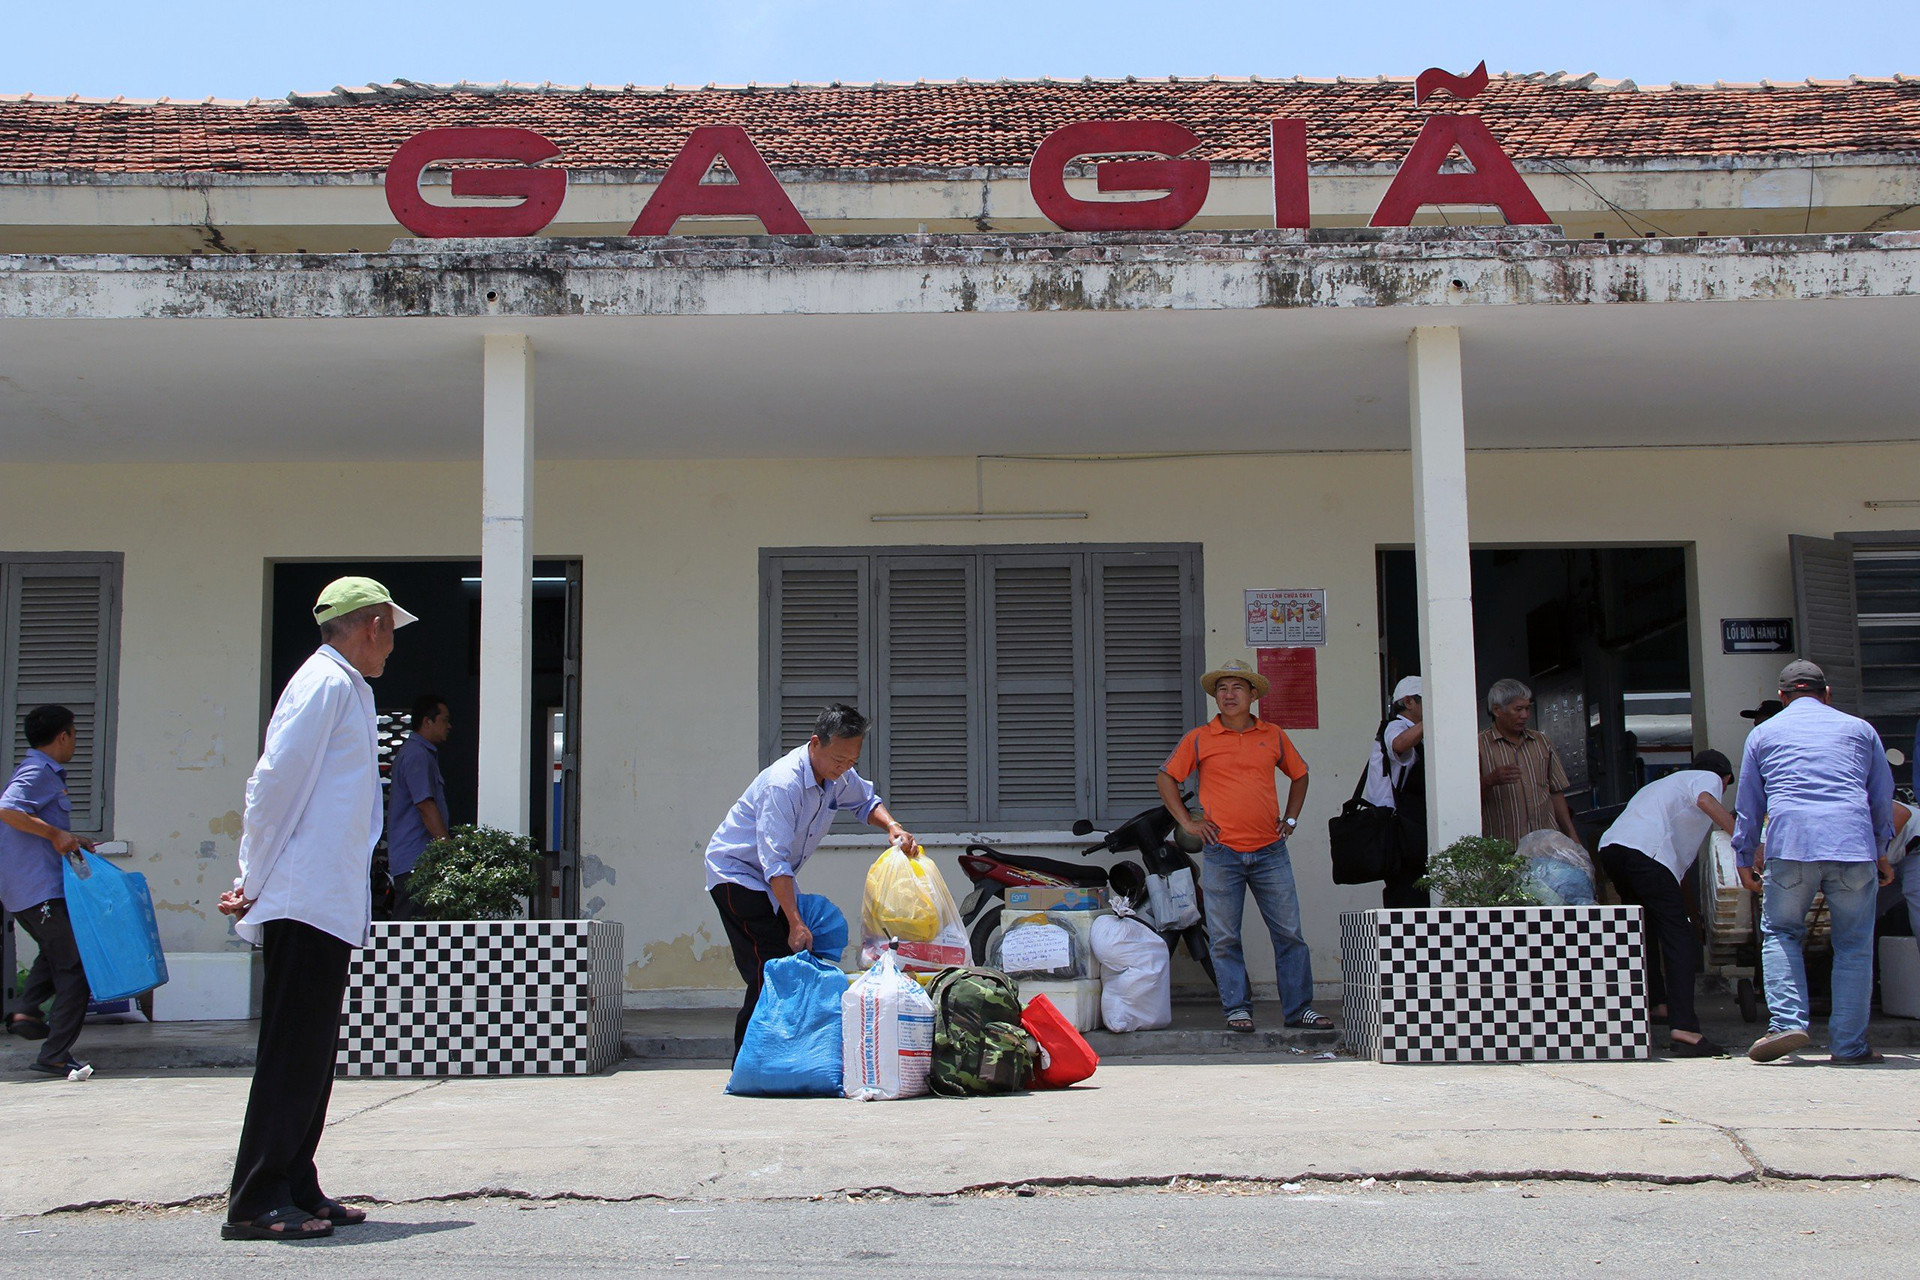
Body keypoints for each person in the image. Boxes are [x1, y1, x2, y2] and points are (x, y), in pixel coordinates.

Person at [217, 576, 416, 1242]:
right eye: (390, 629)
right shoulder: (326, 685)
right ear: (373, 626)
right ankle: (255, 1199)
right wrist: (251, 878)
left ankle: (296, 1182)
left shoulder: (347, 686)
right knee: (290, 1053)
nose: (392, 644)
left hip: (326, 899)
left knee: (311, 1052)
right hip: (302, 897)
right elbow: (273, 785)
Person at [704, 703, 916, 1058]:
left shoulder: (836, 776)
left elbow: (866, 802)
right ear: (815, 743)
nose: (844, 768)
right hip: (737, 875)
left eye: (851, 761)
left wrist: (893, 826)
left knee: (785, 962)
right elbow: (775, 863)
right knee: (770, 966)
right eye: (838, 759)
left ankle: (782, 1051)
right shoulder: (782, 784)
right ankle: (749, 1059)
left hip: (770, 880)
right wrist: (795, 922)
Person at [1734, 660, 1895, 1066]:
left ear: (1783, 697)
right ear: (1827, 695)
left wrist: (1743, 853)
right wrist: (1881, 850)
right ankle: (1849, 1047)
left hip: (1791, 844)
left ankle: (1786, 1023)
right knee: (1854, 946)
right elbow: (1881, 797)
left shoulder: (1764, 733)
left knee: (1782, 933)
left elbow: (1749, 803)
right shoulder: (1860, 729)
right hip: (1852, 844)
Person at [1158, 658, 1327, 1033]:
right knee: (1224, 937)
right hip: (1222, 852)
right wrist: (1187, 822)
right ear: (1216, 697)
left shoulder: (1274, 735)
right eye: (1222, 688)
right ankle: (1237, 1009)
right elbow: (1167, 777)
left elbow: (1300, 776)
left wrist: (1292, 819)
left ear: (1253, 695)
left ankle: (1299, 1010)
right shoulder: (1199, 738)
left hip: (1270, 851)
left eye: (1237, 687)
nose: (1229, 695)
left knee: (1289, 934)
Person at [1597, 750, 1737, 1058]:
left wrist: (1692, 913)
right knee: (1680, 939)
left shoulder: (1665, 786)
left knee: (1647, 930)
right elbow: (1705, 800)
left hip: (1613, 851)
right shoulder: (1708, 779)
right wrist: (1744, 840)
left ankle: (1658, 1004)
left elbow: (1673, 875)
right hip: (1646, 854)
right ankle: (1685, 1029)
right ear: (1725, 778)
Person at [1, 705, 97, 1077]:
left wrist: (72, 840)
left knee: (56, 950)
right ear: (64, 736)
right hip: (37, 890)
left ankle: (26, 1009)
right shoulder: (39, 771)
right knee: (75, 966)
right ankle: (55, 1053)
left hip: (32, 889)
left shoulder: (41, 772)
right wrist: (56, 834)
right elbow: (8, 809)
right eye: (74, 734)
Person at [1478, 678, 1582, 847]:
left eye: (1527, 708)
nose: (1524, 715)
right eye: (1518, 709)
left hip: (1546, 845)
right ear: (1497, 710)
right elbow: (1466, 799)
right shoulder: (1479, 745)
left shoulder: (1541, 741)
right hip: (1505, 848)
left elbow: (1555, 791)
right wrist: (1491, 780)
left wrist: (1571, 834)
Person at [384, 693, 451, 919]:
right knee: (411, 931)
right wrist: (446, 849)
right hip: (416, 859)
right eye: (444, 720)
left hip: (415, 859)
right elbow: (425, 805)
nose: (448, 726)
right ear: (427, 721)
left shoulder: (420, 754)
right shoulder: (417, 755)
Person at [1362, 675, 1427, 908]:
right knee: (1406, 895)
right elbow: (1399, 744)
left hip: (1411, 827)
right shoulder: (1397, 726)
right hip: (1398, 830)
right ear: (1409, 702)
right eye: (1427, 701)